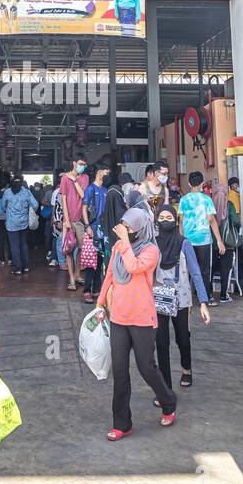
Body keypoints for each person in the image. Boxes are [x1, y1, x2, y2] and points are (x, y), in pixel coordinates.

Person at [94, 207, 177, 440]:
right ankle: (122, 423)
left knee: (146, 367)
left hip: (142, 319)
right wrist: (100, 304)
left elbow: (134, 267)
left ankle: (168, 401)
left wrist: (124, 243)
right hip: (118, 317)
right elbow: (110, 275)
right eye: (124, 227)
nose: (125, 231)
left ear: (140, 228)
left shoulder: (151, 250)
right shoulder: (119, 248)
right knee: (120, 372)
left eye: (129, 228)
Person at [153, 204, 211, 389]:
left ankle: (187, 369)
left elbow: (195, 272)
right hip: (160, 298)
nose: (165, 221)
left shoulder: (184, 243)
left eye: (169, 218)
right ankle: (165, 387)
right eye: (161, 217)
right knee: (161, 343)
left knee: (183, 339)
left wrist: (203, 301)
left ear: (176, 221)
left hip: (182, 299)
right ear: (156, 221)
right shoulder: (152, 243)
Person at [178, 171, 226, 303]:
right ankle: (205, 298)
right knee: (204, 269)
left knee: (187, 268)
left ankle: (186, 297)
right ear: (202, 184)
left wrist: (181, 239)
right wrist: (219, 241)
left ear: (189, 184)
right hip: (204, 240)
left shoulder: (183, 200)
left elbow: (180, 222)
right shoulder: (207, 200)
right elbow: (211, 220)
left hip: (187, 240)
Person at [58, 156, 90, 292]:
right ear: (74, 163)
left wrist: (75, 180)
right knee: (69, 250)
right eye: (80, 164)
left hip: (81, 220)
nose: (82, 166)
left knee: (81, 249)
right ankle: (71, 278)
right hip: (69, 220)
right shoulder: (64, 178)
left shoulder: (85, 178)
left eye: (84, 164)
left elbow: (83, 195)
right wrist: (67, 221)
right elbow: (63, 200)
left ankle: (77, 274)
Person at [80, 163, 110, 304]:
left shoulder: (105, 190)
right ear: (99, 172)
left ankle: (97, 289)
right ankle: (87, 290)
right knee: (90, 262)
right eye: (105, 170)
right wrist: (87, 226)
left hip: (102, 231)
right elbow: (84, 208)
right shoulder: (90, 189)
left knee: (99, 261)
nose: (107, 172)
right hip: (92, 229)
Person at [0, 177, 38, 275]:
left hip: (11, 223)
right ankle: (25, 267)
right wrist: (28, 210)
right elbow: (35, 204)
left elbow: (3, 206)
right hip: (24, 223)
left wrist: (9, 211)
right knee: (24, 244)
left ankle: (18, 268)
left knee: (14, 245)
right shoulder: (26, 192)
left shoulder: (7, 192)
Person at [217, 175, 243, 298]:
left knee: (212, 269)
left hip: (214, 243)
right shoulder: (229, 205)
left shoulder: (211, 203)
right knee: (226, 268)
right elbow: (236, 221)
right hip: (227, 242)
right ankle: (224, 294)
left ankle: (208, 294)